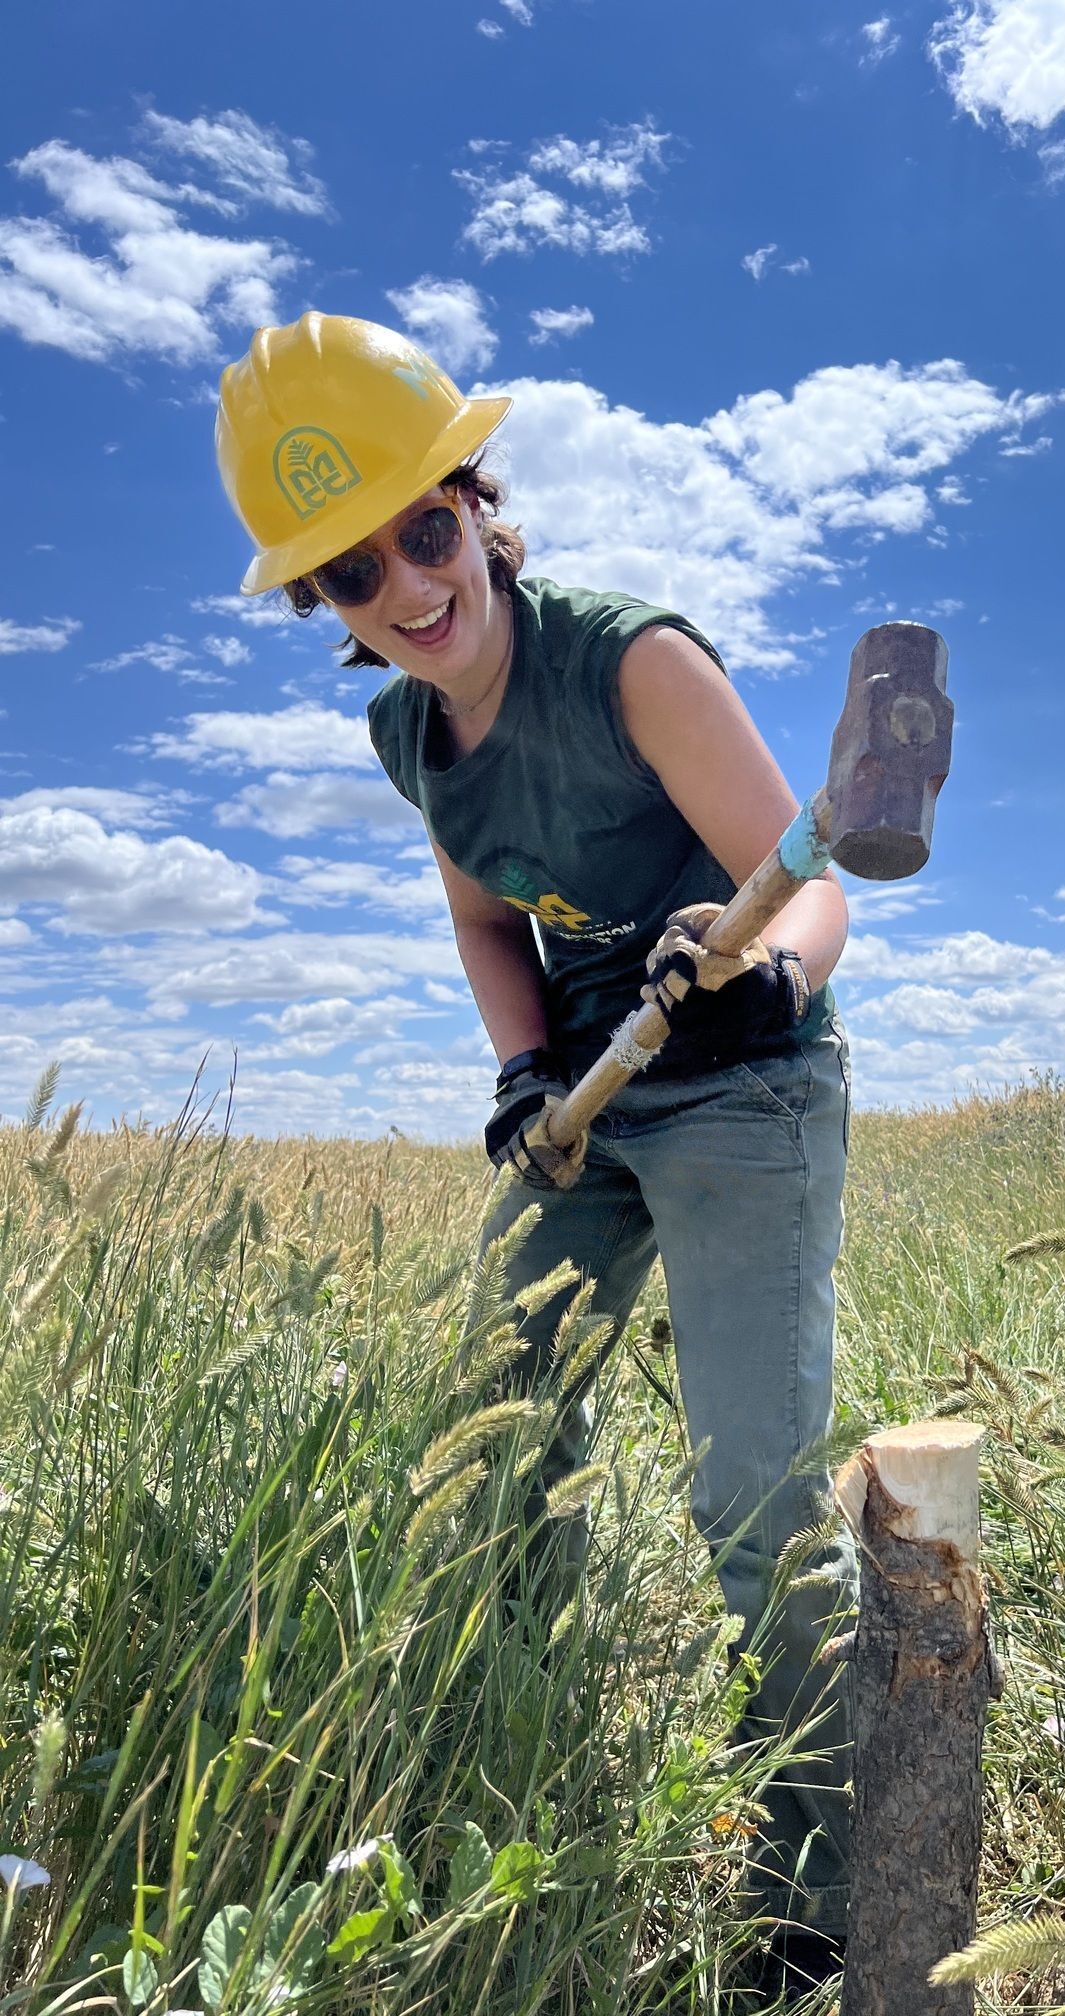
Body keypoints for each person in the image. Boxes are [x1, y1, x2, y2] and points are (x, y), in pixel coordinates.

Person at [215, 313, 857, 1990]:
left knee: (754, 1493)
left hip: (738, 1086)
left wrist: (765, 981)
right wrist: (518, 1072)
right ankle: (530, 1770)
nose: (411, 589)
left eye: (426, 531)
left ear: (477, 502)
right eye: (355, 575)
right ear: (324, 607)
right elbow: (487, 922)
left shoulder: (627, 657)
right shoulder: (410, 737)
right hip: (584, 1103)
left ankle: (820, 1888)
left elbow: (814, 869)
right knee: (490, 1449)